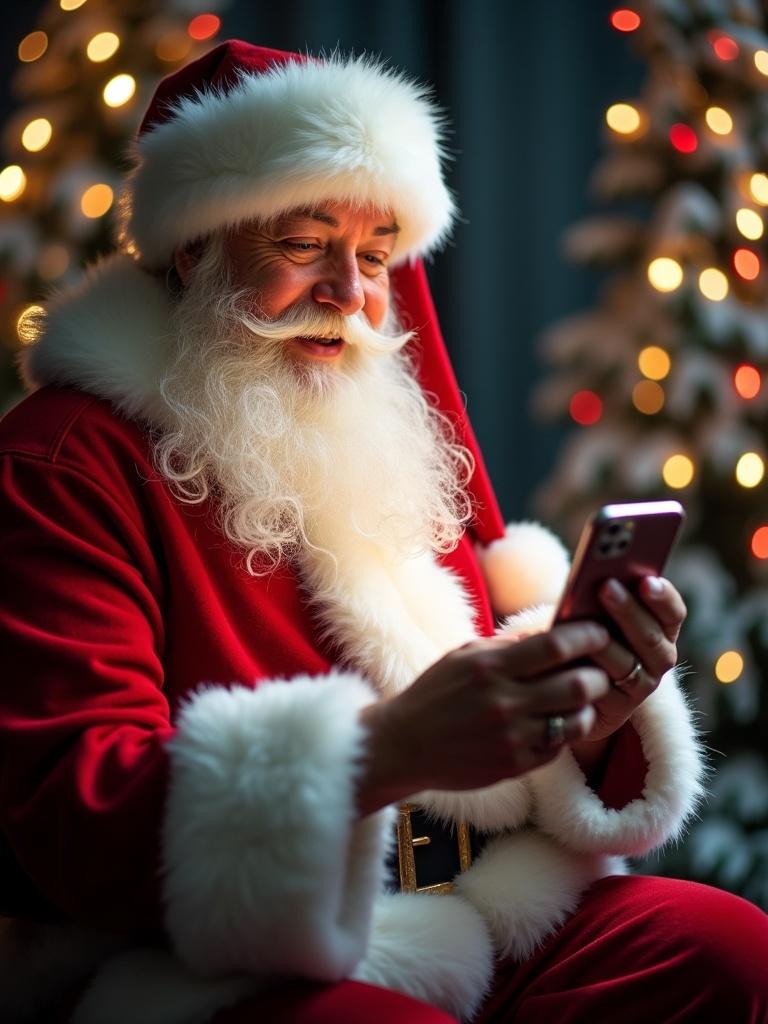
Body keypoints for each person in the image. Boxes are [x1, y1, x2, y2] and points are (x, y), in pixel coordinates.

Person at [0, 39, 766, 1024]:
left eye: (372, 257)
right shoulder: (65, 461)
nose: (349, 295)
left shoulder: (383, 436)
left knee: (724, 949)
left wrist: (586, 714)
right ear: (195, 246)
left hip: (471, 905)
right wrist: (380, 752)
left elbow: (481, 750)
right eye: (303, 242)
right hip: (209, 964)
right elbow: (74, 816)